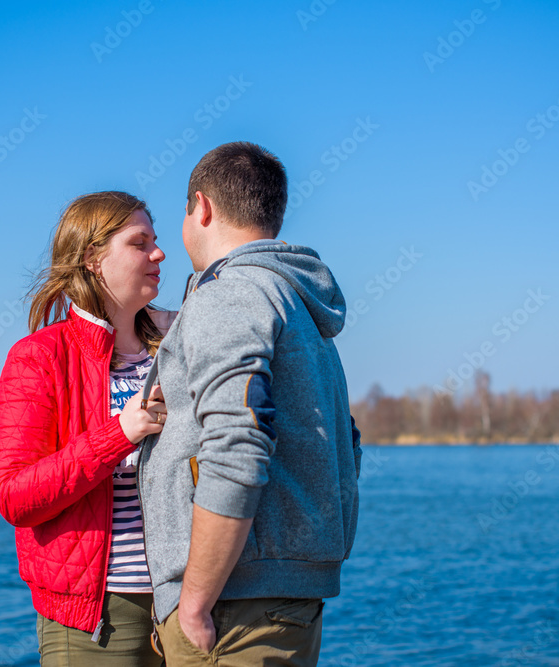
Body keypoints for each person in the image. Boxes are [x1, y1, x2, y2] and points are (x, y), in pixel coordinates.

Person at [137, 142, 363, 666]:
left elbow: (238, 446)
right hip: (288, 596)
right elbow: (346, 442)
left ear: (203, 207)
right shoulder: (300, 303)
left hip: (233, 609)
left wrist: (192, 602)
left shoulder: (228, 294)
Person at [0, 191, 175, 666]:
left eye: (156, 240)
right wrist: (120, 433)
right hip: (99, 618)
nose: (159, 253)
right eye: (140, 242)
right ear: (93, 258)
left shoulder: (178, 346)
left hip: (190, 604)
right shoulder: (38, 357)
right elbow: (14, 495)